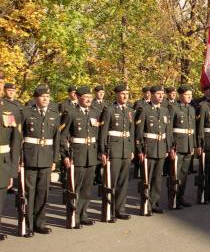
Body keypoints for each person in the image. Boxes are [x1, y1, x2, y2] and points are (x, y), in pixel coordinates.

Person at [21, 86, 60, 236]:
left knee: (43, 193)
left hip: (46, 157)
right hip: (30, 156)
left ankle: (40, 223)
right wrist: (20, 157)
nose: (45, 99)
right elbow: (19, 137)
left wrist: (55, 159)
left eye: (47, 97)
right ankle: (28, 225)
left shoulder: (54, 114)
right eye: (42, 96)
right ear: (36, 98)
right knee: (29, 192)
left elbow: (56, 139)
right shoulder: (26, 112)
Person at [60, 86, 100, 228]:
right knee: (74, 187)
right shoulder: (70, 113)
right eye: (85, 97)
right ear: (78, 97)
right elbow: (62, 136)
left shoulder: (95, 112)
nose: (89, 99)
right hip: (77, 155)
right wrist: (64, 155)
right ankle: (73, 217)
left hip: (91, 154)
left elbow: (98, 135)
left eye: (90, 97)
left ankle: (83, 214)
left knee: (87, 188)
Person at [99, 84, 135, 220]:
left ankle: (120, 209)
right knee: (110, 182)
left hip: (126, 149)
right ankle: (108, 210)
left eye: (127, 93)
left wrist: (132, 149)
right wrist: (103, 151)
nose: (125, 96)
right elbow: (103, 133)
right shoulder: (109, 110)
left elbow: (132, 132)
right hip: (113, 150)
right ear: (116, 95)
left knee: (123, 182)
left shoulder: (130, 110)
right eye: (122, 93)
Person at [134, 85, 172, 214]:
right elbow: (138, 132)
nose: (161, 96)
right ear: (151, 94)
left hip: (161, 148)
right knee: (146, 179)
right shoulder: (144, 109)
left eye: (162, 93)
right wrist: (139, 150)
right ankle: (145, 205)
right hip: (148, 148)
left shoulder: (165, 110)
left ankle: (154, 203)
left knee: (157, 178)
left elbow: (168, 131)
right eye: (158, 94)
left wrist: (168, 147)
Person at [170, 85, 199, 208]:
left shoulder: (191, 109)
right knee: (175, 174)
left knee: (184, 174)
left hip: (188, 145)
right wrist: (171, 147)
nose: (189, 97)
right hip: (177, 145)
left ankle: (180, 197)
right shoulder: (173, 108)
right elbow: (169, 129)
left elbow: (193, 129)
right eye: (187, 95)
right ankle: (173, 199)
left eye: (191, 95)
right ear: (180, 95)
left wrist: (194, 145)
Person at [0, 97, 22, 241]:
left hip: (3, 160)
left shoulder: (11, 109)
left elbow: (15, 142)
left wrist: (13, 170)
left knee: (0, 196)